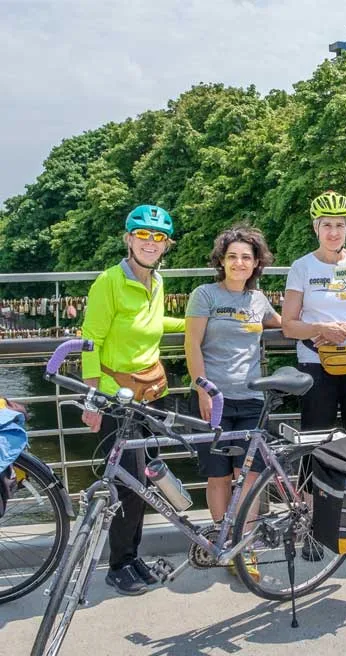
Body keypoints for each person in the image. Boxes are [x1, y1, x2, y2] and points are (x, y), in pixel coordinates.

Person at [80, 205, 185, 595]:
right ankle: (118, 564)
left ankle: (133, 556)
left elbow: (154, 324)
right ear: (128, 239)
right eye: (143, 235)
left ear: (166, 245)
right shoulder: (108, 282)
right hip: (117, 398)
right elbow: (91, 340)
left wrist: (202, 321)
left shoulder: (157, 281)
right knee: (127, 483)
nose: (150, 243)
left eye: (158, 237)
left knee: (145, 482)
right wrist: (92, 399)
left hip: (152, 393)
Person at [282, 191, 346, 559]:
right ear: (316, 228)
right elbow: (289, 324)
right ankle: (311, 526)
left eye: (339, 225)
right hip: (315, 364)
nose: (333, 232)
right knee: (313, 444)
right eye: (326, 225)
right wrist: (322, 329)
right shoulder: (301, 267)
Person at [184, 225, 281, 579]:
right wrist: (203, 389)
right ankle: (222, 543)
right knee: (219, 476)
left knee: (249, 477)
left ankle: (245, 547)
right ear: (221, 261)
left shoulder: (258, 300)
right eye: (232, 257)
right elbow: (192, 344)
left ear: (256, 263)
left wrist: (324, 328)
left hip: (252, 399)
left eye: (246, 257)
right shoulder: (205, 295)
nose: (239, 263)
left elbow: (285, 324)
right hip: (215, 400)